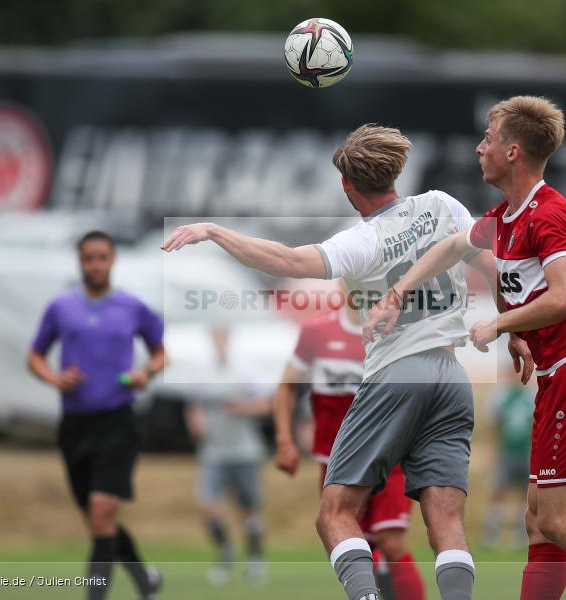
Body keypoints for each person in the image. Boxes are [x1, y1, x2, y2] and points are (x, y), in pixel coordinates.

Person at [363, 96, 566, 600]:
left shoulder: (548, 213)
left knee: (558, 520)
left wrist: (500, 324)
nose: (478, 149)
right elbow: (453, 246)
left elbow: (564, 298)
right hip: (560, 377)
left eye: (487, 140)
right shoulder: (506, 218)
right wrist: (398, 293)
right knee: (537, 519)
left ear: (513, 152)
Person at [162, 124, 502, 600]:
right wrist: (513, 326)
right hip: (451, 376)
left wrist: (216, 231)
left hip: (397, 373)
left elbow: (283, 260)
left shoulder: (360, 240)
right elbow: (488, 258)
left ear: (347, 186)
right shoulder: (442, 205)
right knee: (446, 521)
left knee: (335, 514)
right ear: (395, 171)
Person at [28, 230, 165, 600]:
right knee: (97, 521)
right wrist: (54, 378)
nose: (95, 264)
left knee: (103, 513)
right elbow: (35, 356)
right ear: (80, 261)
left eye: (102, 257)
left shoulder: (132, 308)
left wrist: (146, 374)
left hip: (118, 421)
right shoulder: (61, 308)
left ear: (112, 260)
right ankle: (145, 580)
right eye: (88, 258)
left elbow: (159, 353)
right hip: (74, 425)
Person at [274, 293, 425, 600]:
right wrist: (284, 439)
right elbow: (287, 386)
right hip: (336, 462)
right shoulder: (317, 331)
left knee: (390, 540)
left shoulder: (396, 332)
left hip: (388, 456)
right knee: (354, 545)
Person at [184, 326, 272, 586]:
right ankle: (225, 553)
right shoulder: (202, 372)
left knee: (248, 510)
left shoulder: (245, 370)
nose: (220, 342)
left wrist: (244, 407)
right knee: (207, 506)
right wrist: (196, 422)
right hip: (214, 451)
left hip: (245, 450)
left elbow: (267, 404)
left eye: (223, 337)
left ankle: (255, 560)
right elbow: (193, 405)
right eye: (216, 337)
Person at [480, 372, 534, 549]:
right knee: (498, 491)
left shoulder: (532, 396)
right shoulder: (500, 397)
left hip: (526, 453)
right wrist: (491, 453)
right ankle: (491, 534)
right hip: (506, 453)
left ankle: (521, 535)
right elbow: (493, 426)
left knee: (524, 494)